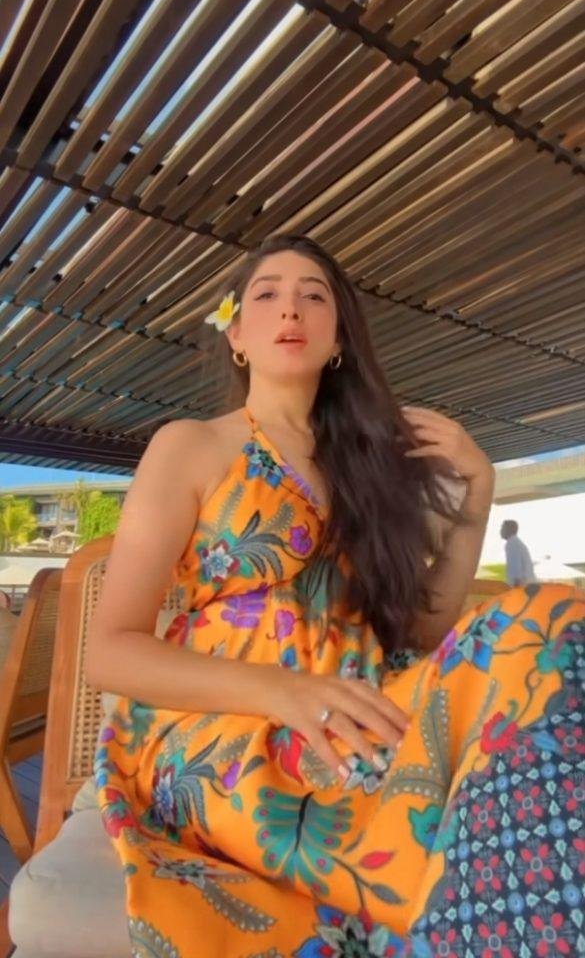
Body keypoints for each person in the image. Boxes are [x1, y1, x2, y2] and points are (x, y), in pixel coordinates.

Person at [86, 234, 584, 958]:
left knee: (551, 613)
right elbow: (109, 651)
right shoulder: (191, 445)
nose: (290, 307)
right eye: (266, 294)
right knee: (410, 804)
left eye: (313, 295)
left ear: (339, 337)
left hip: (368, 702)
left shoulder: (371, 469)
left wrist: (477, 496)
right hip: (227, 718)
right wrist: (285, 691)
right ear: (236, 335)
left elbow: (420, 633)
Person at [500, 519, 536, 586]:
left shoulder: (512, 543)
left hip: (522, 586)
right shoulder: (516, 542)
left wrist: (516, 587)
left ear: (508, 530)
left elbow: (516, 570)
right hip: (528, 584)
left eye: (502, 528)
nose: (500, 531)